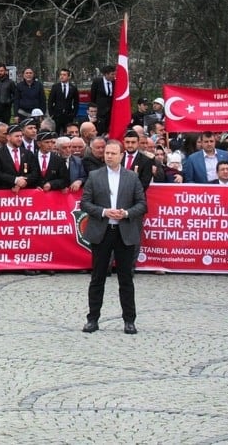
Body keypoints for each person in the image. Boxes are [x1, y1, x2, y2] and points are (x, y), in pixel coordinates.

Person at [80, 140, 147, 335]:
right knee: (97, 277)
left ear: (121, 155)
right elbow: (85, 202)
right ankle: (92, 319)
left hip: (124, 232)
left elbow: (142, 204)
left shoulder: (132, 177)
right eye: (107, 153)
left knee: (125, 278)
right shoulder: (95, 176)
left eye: (113, 153)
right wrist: (103, 212)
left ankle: (129, 320)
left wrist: (126, 213)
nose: (109, 156)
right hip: (102, 231)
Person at [89, 66, 116, 137]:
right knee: (100, 130)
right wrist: (93, 110)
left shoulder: (115, 82)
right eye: (112, 74)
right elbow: (93, 96)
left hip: (110, 112)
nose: (114, 76)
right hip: (100, 112)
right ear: (106, 74)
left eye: (114, 74)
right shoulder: (97, 82)